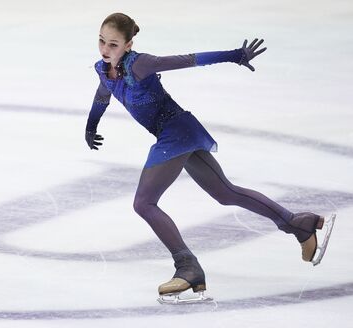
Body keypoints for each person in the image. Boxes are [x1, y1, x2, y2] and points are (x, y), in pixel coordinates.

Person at [85, 12, 335, 303]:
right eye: (102, 41)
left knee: (144, 203)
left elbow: (189, 59)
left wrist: (234, 55)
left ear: (128, 45)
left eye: (113, 44)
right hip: (179, 133)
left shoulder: (142, 64)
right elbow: (103, 94)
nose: (105, 49)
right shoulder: (103, 69)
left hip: (175, 132)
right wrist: (91, 126)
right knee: (225, 192)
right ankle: (298, 223)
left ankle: (188, 267)